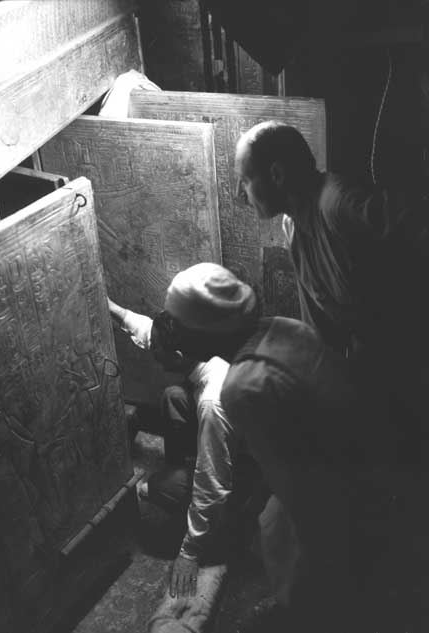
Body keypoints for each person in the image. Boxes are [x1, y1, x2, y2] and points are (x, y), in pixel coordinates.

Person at [155, 262, 366, 629]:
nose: (172, 333)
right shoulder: (280, 327)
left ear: (203, 332)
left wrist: (193, 551)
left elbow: (294, 485)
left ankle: (312, 608)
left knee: (285, 535)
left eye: (178, 324)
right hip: (358, 442)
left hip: (335, 478)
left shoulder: (244, 386)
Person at [234, 120, 429, 465]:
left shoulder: (337, 204)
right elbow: (320, 322)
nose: (240, 194)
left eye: (246, 180)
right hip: (372, 375)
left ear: (276, 174)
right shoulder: (292, 224)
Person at [107, 296, 261, 599]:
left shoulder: (212, 403)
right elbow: (153, 332)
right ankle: (183, 474)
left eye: (158, 352)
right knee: (174, 396)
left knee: (156, 487)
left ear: (177, 355)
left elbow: (213, 485)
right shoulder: (201, 347)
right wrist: (114, 310)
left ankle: (226, 530)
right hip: (235, 442)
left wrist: (189, 554)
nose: (153, 353)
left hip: (249, 477)